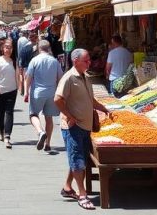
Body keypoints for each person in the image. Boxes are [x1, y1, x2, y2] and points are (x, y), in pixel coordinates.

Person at [55, 48, 112, 211]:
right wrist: (70, 116)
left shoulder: (85, 77)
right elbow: (57, 99)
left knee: (78, 157)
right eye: (86, 61)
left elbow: (90, 99)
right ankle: (82, 195)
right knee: (78, 160)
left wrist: (104, 109)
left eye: (89, 60)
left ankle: (67, 187)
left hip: (85, 126)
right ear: (75, 61)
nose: (90, 63)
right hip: (74, 127)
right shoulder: (68, 78)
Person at [26, 39, 64, 153]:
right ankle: (48, 144)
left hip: (37, 92)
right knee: (49, 118)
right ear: (49, 48)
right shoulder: (54, 61)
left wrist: (26, 91)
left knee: (33, 115)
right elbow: (60, 78)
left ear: (39, 48)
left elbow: (29, 77)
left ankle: (40, 131)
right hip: (51, 93)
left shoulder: (34, 60)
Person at [0, 39, 20, 148]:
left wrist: (19, 88)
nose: (8, 49)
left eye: (10, 47)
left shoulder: (14, 61)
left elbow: (17, 75)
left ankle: (7, 137)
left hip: (12, 91)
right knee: (0, 113)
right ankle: (1, 131)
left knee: (9, 113)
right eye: (6, 47)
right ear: (2, 49)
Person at [17, 30, 35, 96]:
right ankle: (27, 92)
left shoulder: (24, 47)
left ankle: (24, 91)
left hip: (26, 66)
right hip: (32, 67)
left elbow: (20, 53)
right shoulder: (35, 47)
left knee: (25, 79)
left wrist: (20, 65)